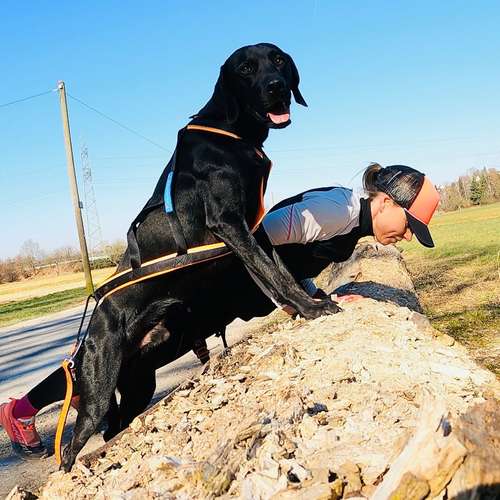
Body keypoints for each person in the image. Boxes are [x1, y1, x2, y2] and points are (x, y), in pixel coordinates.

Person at [0, 163, 440, 458]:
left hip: (214, 302)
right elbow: (258, 239)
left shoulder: (346, 218)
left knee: (132, 364)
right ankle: (24, 408)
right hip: (205, 294)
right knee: (120, 353)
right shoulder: (337, 212)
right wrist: (297, 301)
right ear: (384, 201)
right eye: (409, 224)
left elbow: (288, 258)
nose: (406, 235)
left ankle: (80, 428)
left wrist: (309, 292)